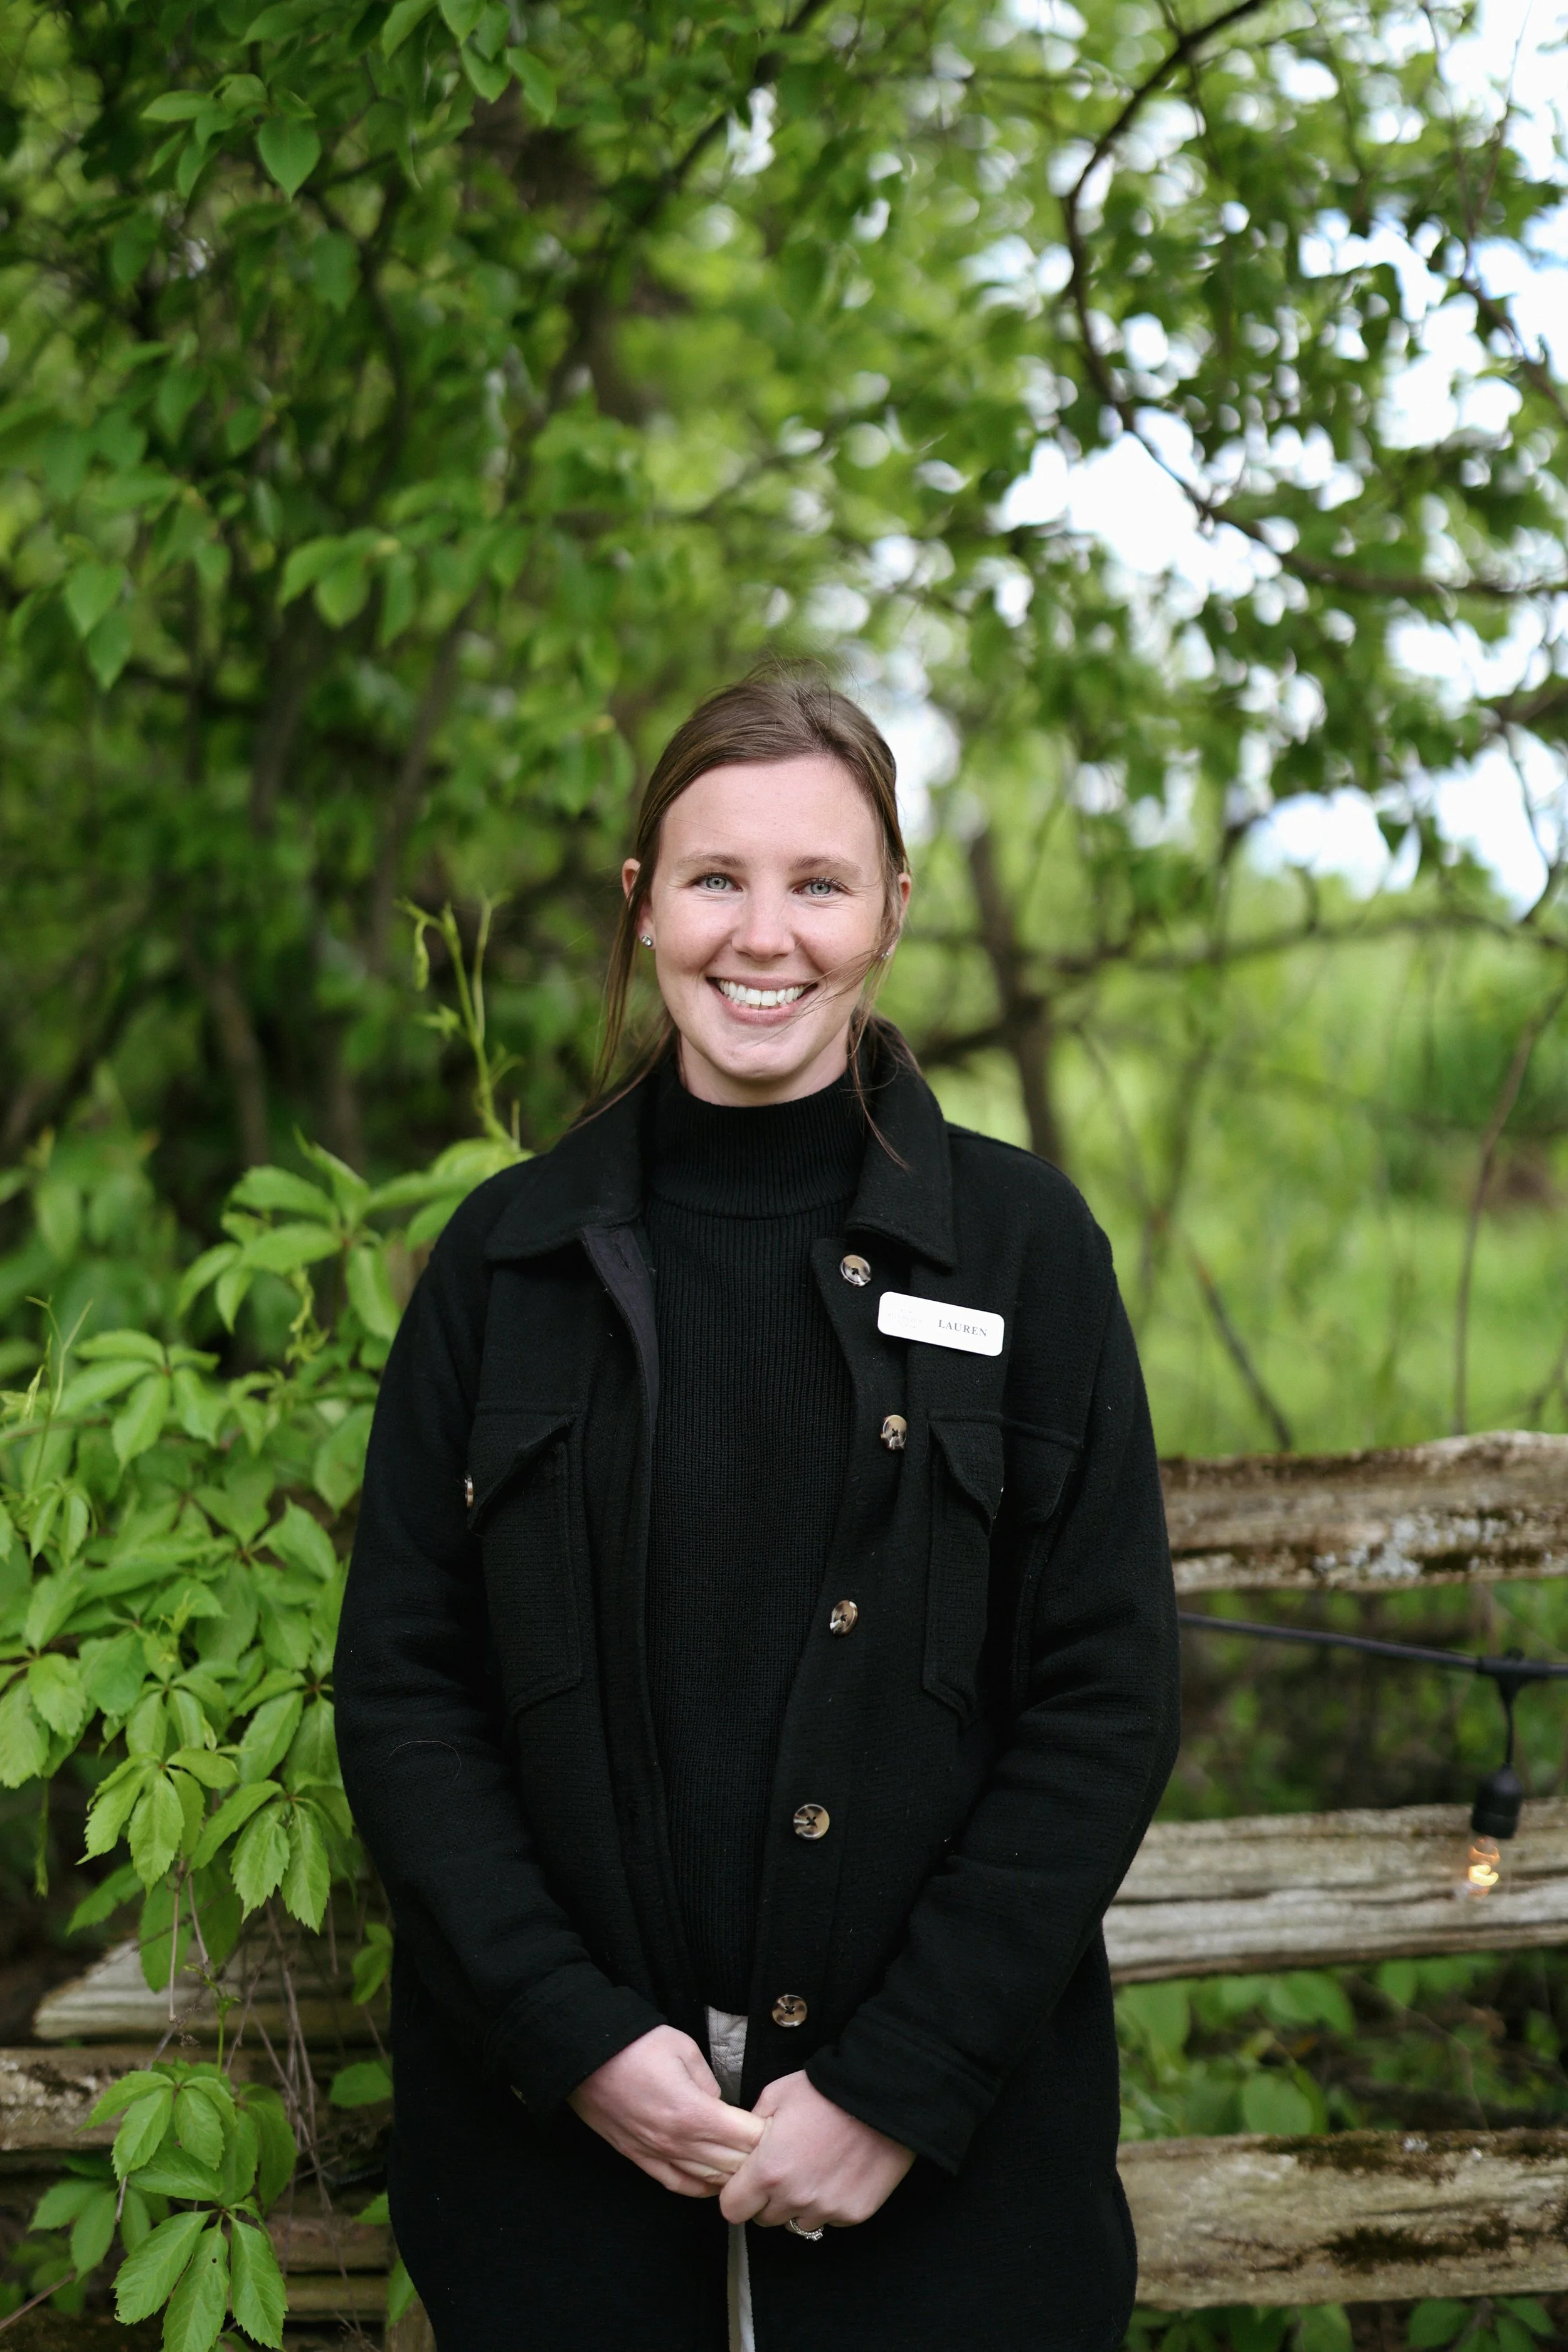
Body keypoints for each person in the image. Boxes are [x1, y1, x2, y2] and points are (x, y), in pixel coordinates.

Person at [334, 672, 1180, 2352]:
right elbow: (404, 1693)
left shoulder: (1024, 1256)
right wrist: (570, 2034)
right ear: (644, 903)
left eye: (819, 882)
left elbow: (1104, 1698)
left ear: (892, 913)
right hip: (550, 2179)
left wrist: (897, 2082)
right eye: (715, 878)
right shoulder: (504, 1268)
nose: (763, 935)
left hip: (941, 2185)